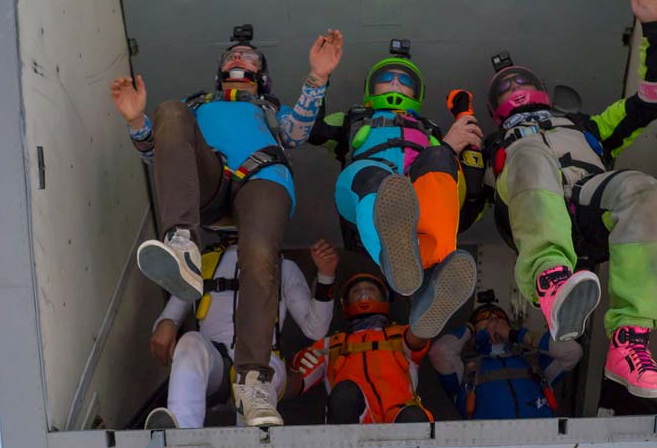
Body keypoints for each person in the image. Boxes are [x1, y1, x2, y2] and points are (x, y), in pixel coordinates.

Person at [110, 25, 344, 424]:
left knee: (259, 256)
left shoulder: (270, 109)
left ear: (261, 74)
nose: (238, 58)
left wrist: (317, 77)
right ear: (220, 70)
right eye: (231, 55)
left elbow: (298, 132)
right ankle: (182, 241)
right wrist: (137, 122)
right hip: (211, 180)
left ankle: (254, 384)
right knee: (169, 111)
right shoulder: (197, 106)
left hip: (263, 180)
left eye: (249, 57)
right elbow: (161, 156)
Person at [479, 0, 657, 398]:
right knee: (529, 153)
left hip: (588, 211)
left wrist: (653, 29)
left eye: (523, 83)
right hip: (532, 214)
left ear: (544, 92)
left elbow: (649, 102)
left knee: (643, 189)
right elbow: (460, 203)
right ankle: (551, 283)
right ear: (493, 109)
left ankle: (629, 342)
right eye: (506, 87)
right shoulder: (491, 145)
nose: (515, 89)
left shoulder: (587, 126)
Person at [308, 39, 483, 340]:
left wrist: (453, 147)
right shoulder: (354, 119)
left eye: (404, 81)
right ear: (370, 89)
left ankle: (429, 284)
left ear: (417, 93)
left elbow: (461, 198)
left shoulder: (431, 132)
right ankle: (395, 259)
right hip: (362, 195)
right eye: (386, 78)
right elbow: (312, 130)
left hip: (414, 212)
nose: (395, 84)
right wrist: (318, 78)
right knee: (378, 180)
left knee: (439, 157)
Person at [144, 238, 339, 428]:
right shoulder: (202, 262)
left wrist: (326, 275)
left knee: (259, 375)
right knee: (190, 342)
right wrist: (166, 323)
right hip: (216, 363)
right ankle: (180, 431)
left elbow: (315, 328)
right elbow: (166, 321)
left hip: (264, 360)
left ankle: (253, 441)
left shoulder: (283, 267)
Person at [290, 272, 432, 424]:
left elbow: (419, 336)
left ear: (385, 299)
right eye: (356, 291)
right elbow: (291, 389)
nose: (364, 293)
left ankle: (431, 304)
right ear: (345, 302)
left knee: (413, 415)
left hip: (399, 419)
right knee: (345, 392)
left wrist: (424, 311)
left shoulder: (399, 335)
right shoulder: (330, 345)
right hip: (355, 423)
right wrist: (296, 368)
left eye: (371, 289)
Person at [430, 301, 582, 419]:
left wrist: (518, 335)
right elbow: (440, 352)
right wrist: (470, 331)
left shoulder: (533, 362)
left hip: (541, 444)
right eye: (483, 317)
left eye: (499, 315)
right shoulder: (465, 370)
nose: (494, 318)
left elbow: (572, 352)